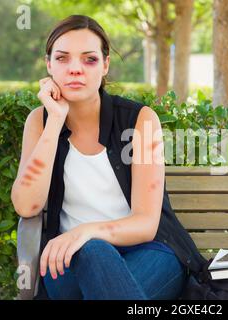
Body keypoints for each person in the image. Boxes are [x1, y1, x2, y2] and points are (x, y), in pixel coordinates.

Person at [11, 14, 206, 300]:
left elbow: (146, 223)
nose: (75, 69)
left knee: (95, 251)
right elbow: (27, 205)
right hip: (68, 261)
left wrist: (87, 233)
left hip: (149, 251)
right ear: (49, 65)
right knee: (92, 255)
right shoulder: (39, 122)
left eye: (89, 59)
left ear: (105, 65)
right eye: (63, 58)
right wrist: (54, 122)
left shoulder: (139, 120)